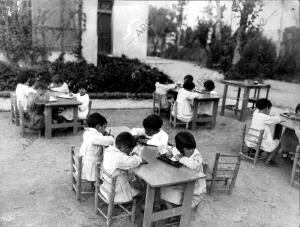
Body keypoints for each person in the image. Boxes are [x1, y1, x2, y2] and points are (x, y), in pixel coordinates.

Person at [159, 131, 206, 209]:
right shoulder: (176, 150)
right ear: (180, 148)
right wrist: (166, 153)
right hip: (182, 182)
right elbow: (162, 147)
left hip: (195, 189)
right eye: (187, 149)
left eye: (193, 148)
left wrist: (181, 158)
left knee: (166, 191)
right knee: (162, 189)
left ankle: (175, 213)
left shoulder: (197, 156)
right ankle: (172, 210)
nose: (191, 151)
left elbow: (193, 165)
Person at [100, 132, 142, 203]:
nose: (130, 152)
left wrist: (130, 155)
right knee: (140, 193)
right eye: (130, 150)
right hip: (116, 192)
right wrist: (136, 156)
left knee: (130, 178)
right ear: (125, 148)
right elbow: (135, 161)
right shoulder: (120, 158)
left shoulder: (108, 150)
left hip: (106, 186)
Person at [79, 113, 114, 182]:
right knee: (110, 168)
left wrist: (104, 135)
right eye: (104, 127)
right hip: (91, 169)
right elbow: (111, 141)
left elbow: (101, 139)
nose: (105, 130)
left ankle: (96, 184)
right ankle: (98, 186)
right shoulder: (96, 137)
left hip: (85, 164)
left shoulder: (87, 133)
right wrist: (110, 136)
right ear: (98, 127)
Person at [246, 98, 282, 164]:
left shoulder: (255, 113)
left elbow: (259, 112)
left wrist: (268, 115)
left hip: (251, 140)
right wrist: (277, 117)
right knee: (279, 143)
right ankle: (268, 160)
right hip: (259, 143)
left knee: (265, 136)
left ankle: (255, 152)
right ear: (266, 108)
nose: (270, 111)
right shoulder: (266, 118)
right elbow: (277, 119)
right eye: (269, 109)